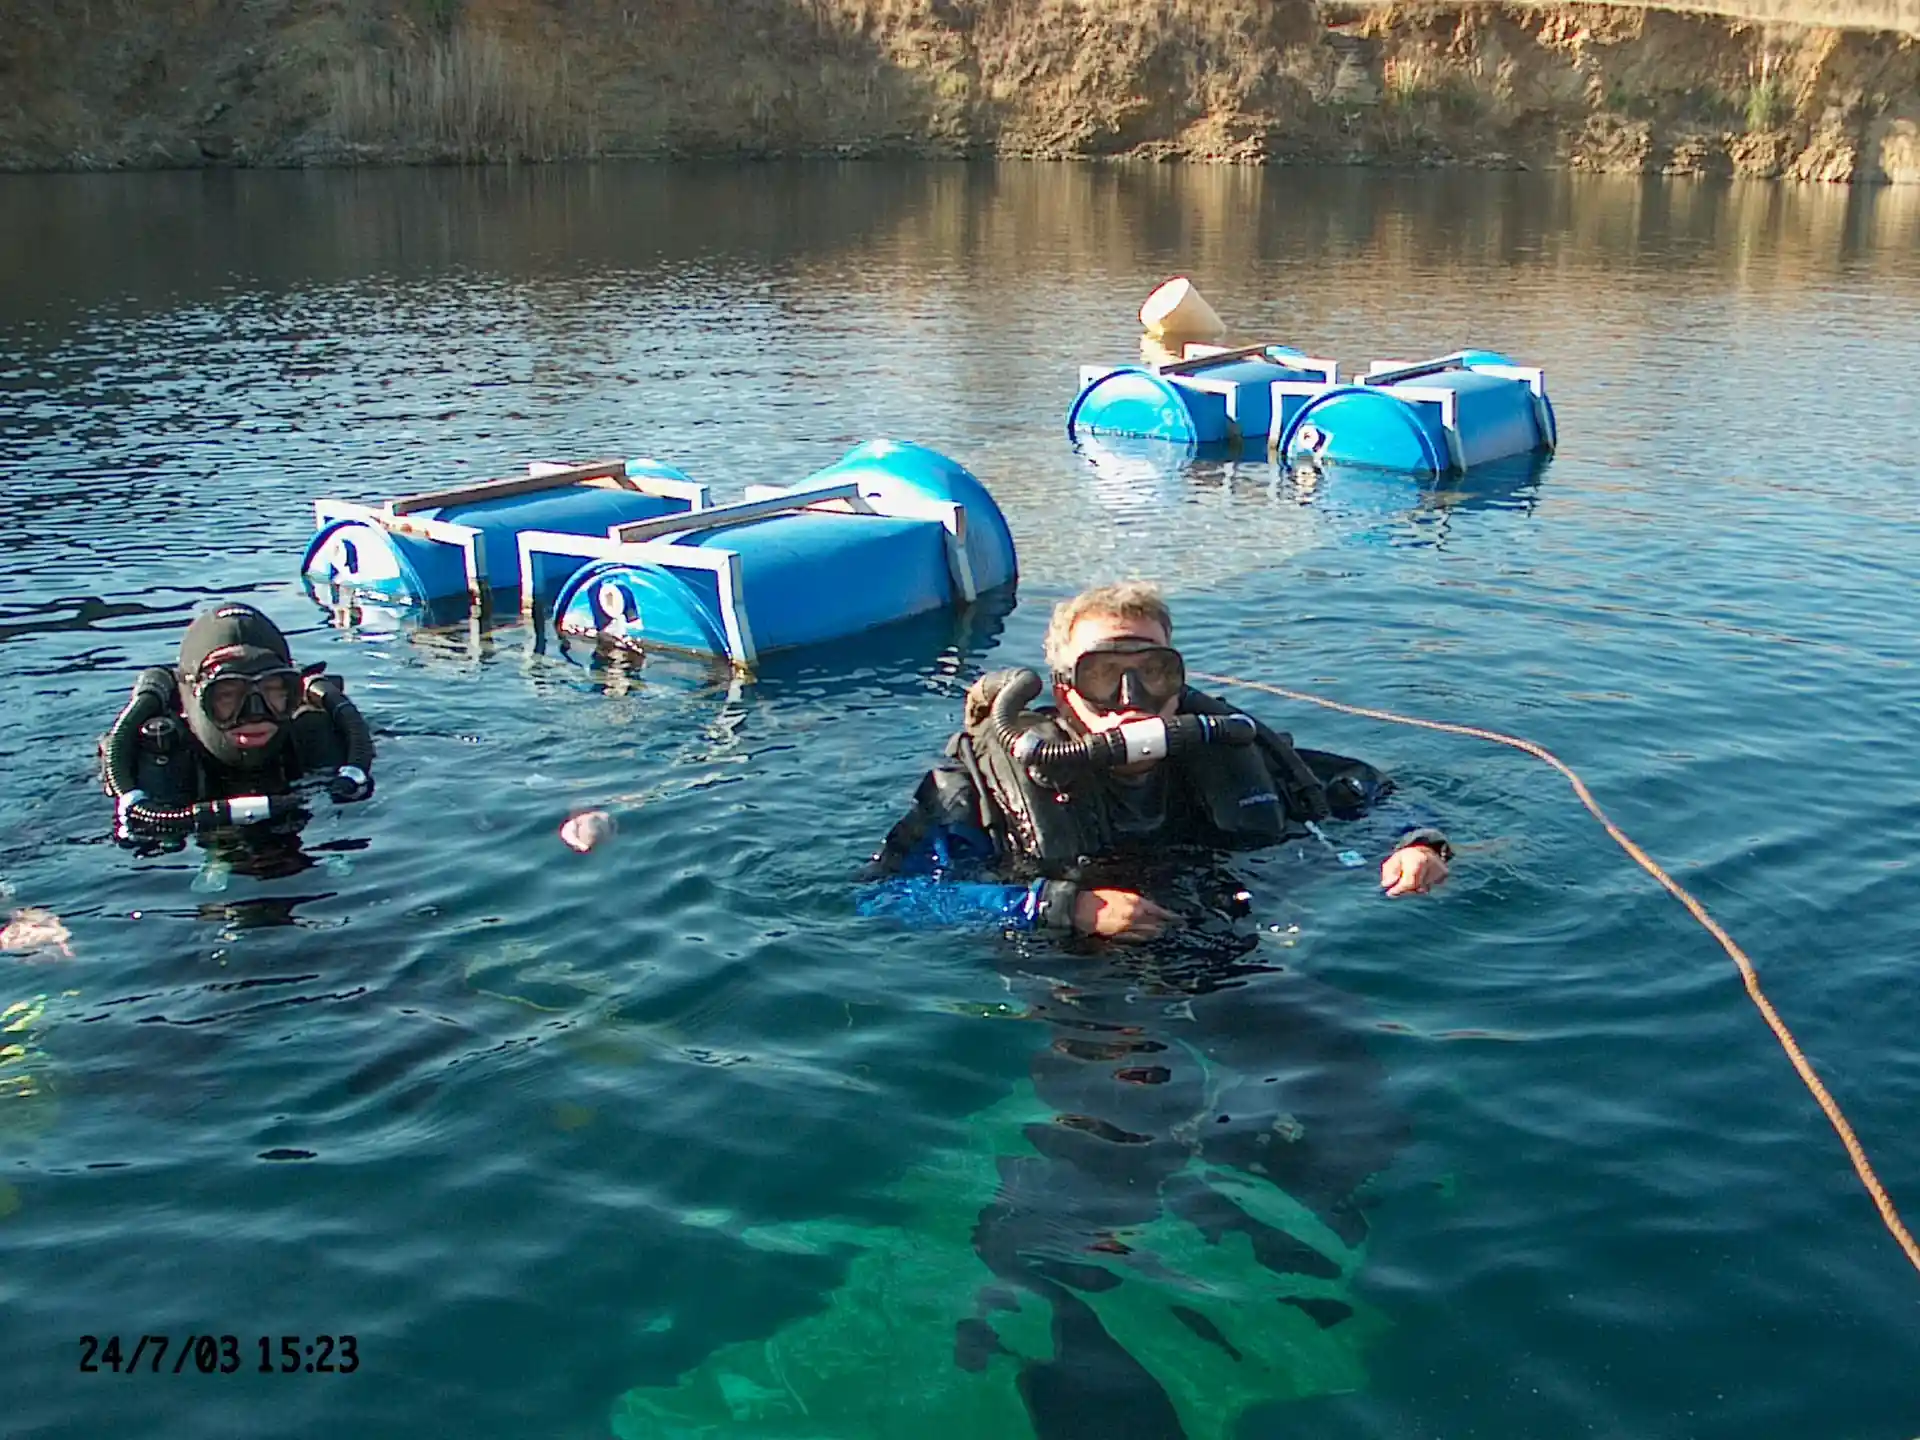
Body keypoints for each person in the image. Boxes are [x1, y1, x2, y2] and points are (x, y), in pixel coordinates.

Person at [859, 580, 1449, 936]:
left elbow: (1364, 792)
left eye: (1152, 673)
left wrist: (1417, 844)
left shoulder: (1226, 744)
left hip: (1222, 940)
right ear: (1064, 688)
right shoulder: (982, 784)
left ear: (1178, 679)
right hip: (1073, 967)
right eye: (1104, 675)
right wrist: (1060, 907)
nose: (1129, 700)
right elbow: (887, 898)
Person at [99, 602, 376, 839]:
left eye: (273, 691)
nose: (254, 713)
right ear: (188, 701)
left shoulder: (317, 741)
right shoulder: (158, 763)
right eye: (227, 695)